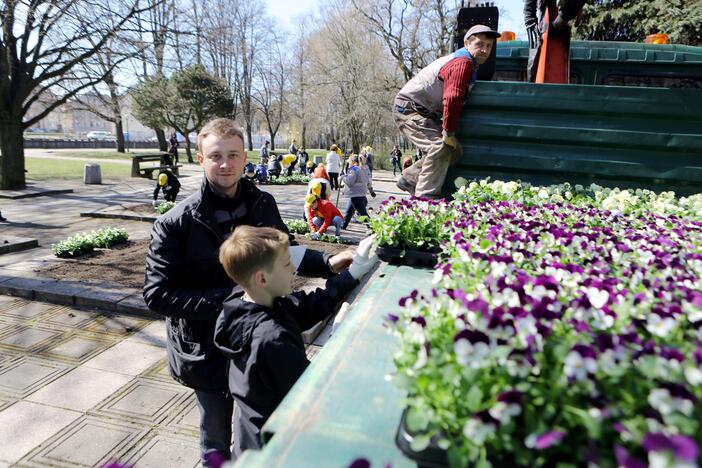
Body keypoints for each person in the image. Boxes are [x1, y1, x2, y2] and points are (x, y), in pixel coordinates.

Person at [143, 118, 354, 466]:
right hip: (204, 350)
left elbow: (282, 253)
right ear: (201, 159)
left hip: (254, 345)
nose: (225, 164)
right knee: (214, 437)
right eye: (215, 156)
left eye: (233, 155)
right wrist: (233, 299)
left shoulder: (262, 204)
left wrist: (329, 263)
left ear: (245, 158)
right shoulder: (174, 224)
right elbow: (158, 295)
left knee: (251, 430)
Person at [213, 227, 377, 459]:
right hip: (275, 449)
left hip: (249, 438)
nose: (293, 269)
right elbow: (312, 395)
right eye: (287, 264)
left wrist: (353, 273)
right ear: (262, 278)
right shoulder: (271, 339)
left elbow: (307, 308)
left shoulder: (246, 303)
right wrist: (337, 340)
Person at [394, 25, 500, 199]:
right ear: (467, 42)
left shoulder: (466, 62)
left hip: (424, 112)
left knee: (454, 150)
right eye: (480, 44)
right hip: (410, 109)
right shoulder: (462, 63)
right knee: (440, 146)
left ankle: (410, 178)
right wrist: (448, 132)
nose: (485, 50)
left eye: (489, 46)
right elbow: (452, 98)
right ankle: (425, 200)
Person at [341, 154, 374, 229]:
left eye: (349, 161)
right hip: (361, 193)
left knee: (363, 213)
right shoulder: (364, 168)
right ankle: (344, 225)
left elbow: (349, 182)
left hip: (355, 194)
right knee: (349, 211)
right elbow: (369, 180)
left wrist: (343, 176)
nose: (348, 163)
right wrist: (371, 190)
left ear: (352, 161)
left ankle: (372, 228)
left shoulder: (354, 170)